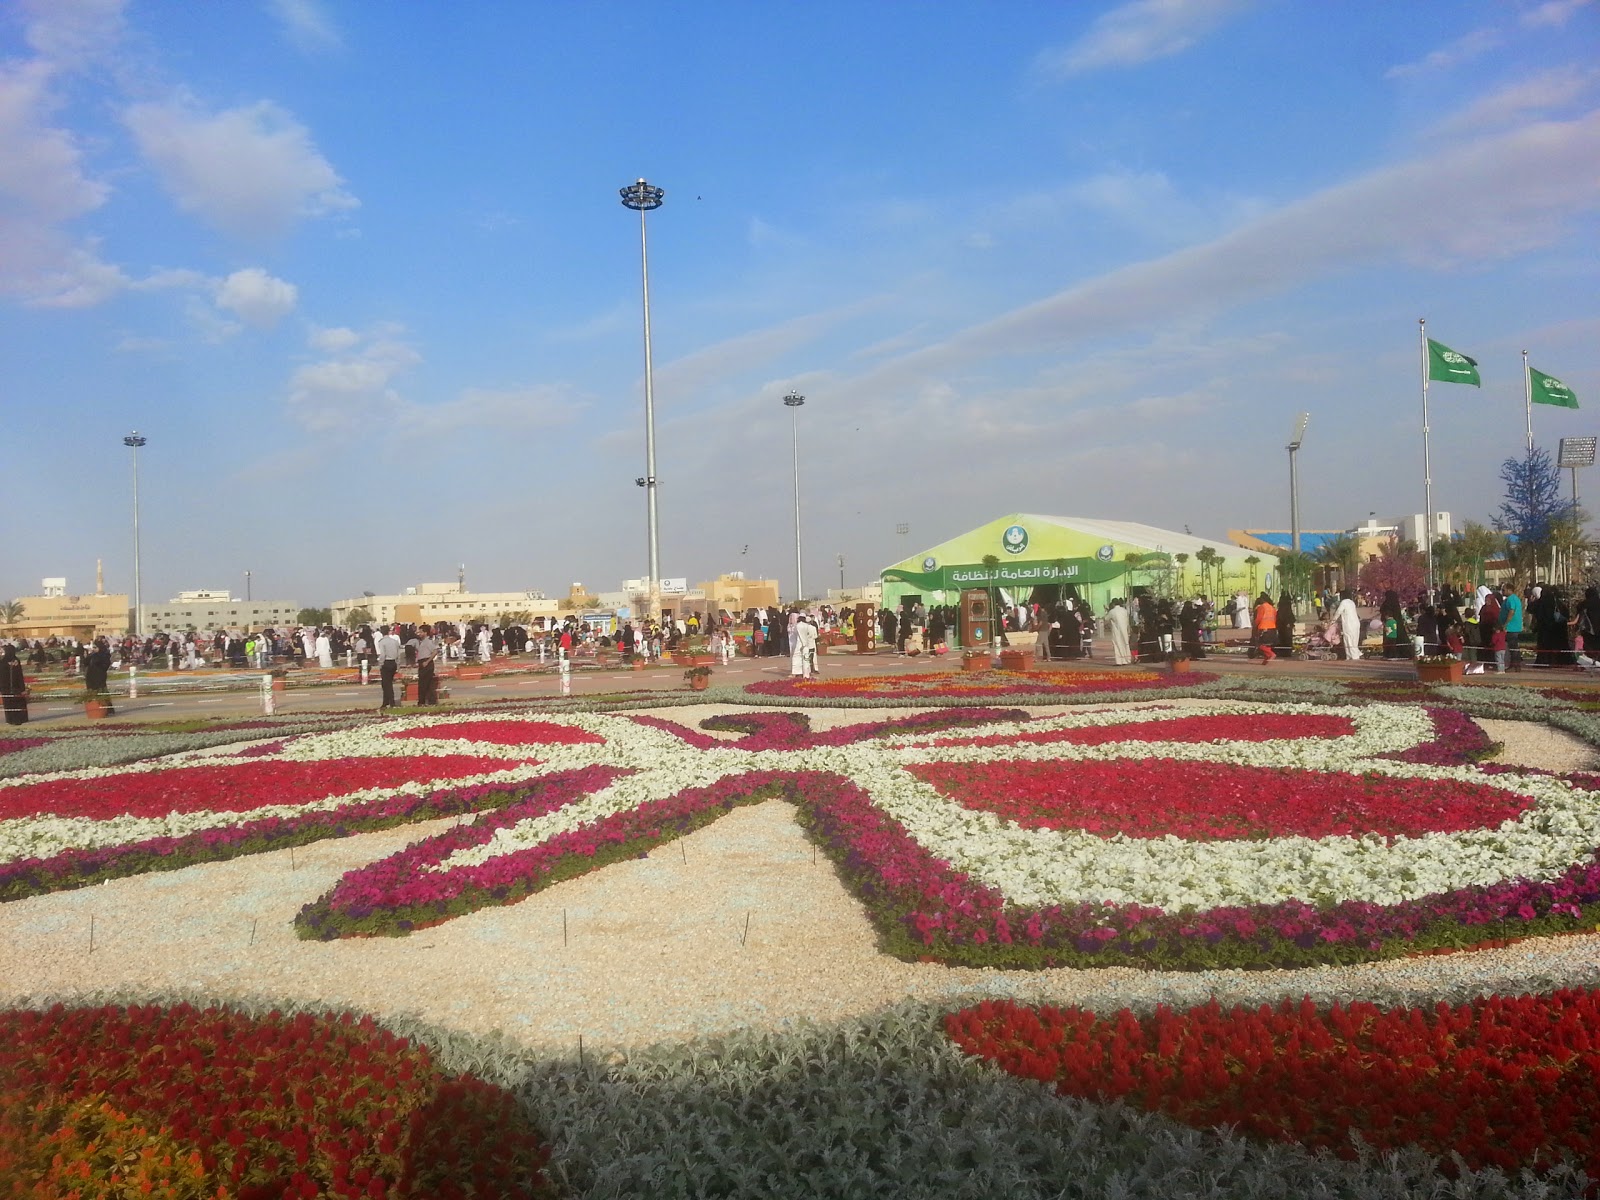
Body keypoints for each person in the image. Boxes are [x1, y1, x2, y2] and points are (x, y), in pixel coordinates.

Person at [1380, 590, 1414, 660]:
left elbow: (1384, 613)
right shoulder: (1396, 604)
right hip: (1398, 624)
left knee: (1389, 639)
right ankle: (1405, 653)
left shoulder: (1386, 604)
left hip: (1389, 624)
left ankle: (1389, 654)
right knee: (1400, 638)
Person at [84, 637, 115, 714]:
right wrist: (89, 655)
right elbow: (85, 662)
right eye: (93, 647)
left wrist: (96, 657)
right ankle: (94, 708)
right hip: (91, 676)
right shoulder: (92, 655)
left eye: (95, 647)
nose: (94, 649)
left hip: (100, 676)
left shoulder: (104, 655)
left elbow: (105, 665)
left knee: (102, 691)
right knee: (91, 691)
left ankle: (107, 709)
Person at [376, 624, 402, 708]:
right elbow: (398, 654)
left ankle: (391, 701)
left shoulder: (382, 642)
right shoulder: (394, 641)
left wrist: (380, 664)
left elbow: (382, 654)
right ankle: (386, 701)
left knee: (386, 684)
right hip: (393, 663)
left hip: (386, 663)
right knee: (388, 683)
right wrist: (398, 665)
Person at [1, 645, 28, 725]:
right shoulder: (14, 661)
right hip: (13, 687)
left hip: (7, 687)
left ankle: (12, 719)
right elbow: (20, 676)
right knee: (15, 703)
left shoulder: (3, 662)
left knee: (13, 703)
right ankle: (18, 718)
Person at [1333, 589, 1362, 660]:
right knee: (1354, 640)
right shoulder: (1352, 602)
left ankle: (1352, 656)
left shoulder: (1344, 602)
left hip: (1349, 624)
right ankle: (1354, 655)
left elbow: (1338, 612)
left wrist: (1333, 620)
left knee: (1348, 640)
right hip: (1356, 623)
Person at [414, 625, 439, 705]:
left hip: (426, 663)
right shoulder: (422, 642)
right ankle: (429, 701)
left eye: (421, 632)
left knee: (424, 683)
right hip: (422, 662)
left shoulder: (428, 642)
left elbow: (435, 651)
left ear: (425, 633)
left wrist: (427, 661)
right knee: (426, 683)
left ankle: (423, 701)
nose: (419, 633)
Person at [1104, 597, 1132, 665]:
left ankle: (1119, 661)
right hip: (1124, 630)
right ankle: (1127, 659)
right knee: (1125, 644)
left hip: (1116, 631)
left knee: (1117, 645)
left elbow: (1106, 618)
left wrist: (1107, 610)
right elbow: (1127, 620)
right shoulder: (1124, 610)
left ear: (1113, 604)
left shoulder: (1112, 611)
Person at [791, 613, 819, 679]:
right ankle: (806, 674)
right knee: (806, 659)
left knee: (797, 658)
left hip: (798, 643)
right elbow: (809, 635)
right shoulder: (807, 626)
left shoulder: (796, 626)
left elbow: (794, 634)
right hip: (806, 644)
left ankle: (798, 673)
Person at [1252, 592, 1277, 662]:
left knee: (1259, 645)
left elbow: (1258, 619)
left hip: (1263, 628)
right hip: (1272, 627)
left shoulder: (1261, 607)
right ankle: (1267, 658)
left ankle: (1271, 654)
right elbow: (1275, 618)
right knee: (1267, 645)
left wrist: (1255, 626)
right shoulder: (1272, 608)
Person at [1275, 591, 1296, 659]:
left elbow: (1279, 616)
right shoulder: (1288, 607)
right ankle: (1287, 652)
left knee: (1282, 638)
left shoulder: (1281, 607)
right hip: (1288, 625)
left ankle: (1283, 651)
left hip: (1282, 625)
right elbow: (1291, 617)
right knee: (1288, 639)